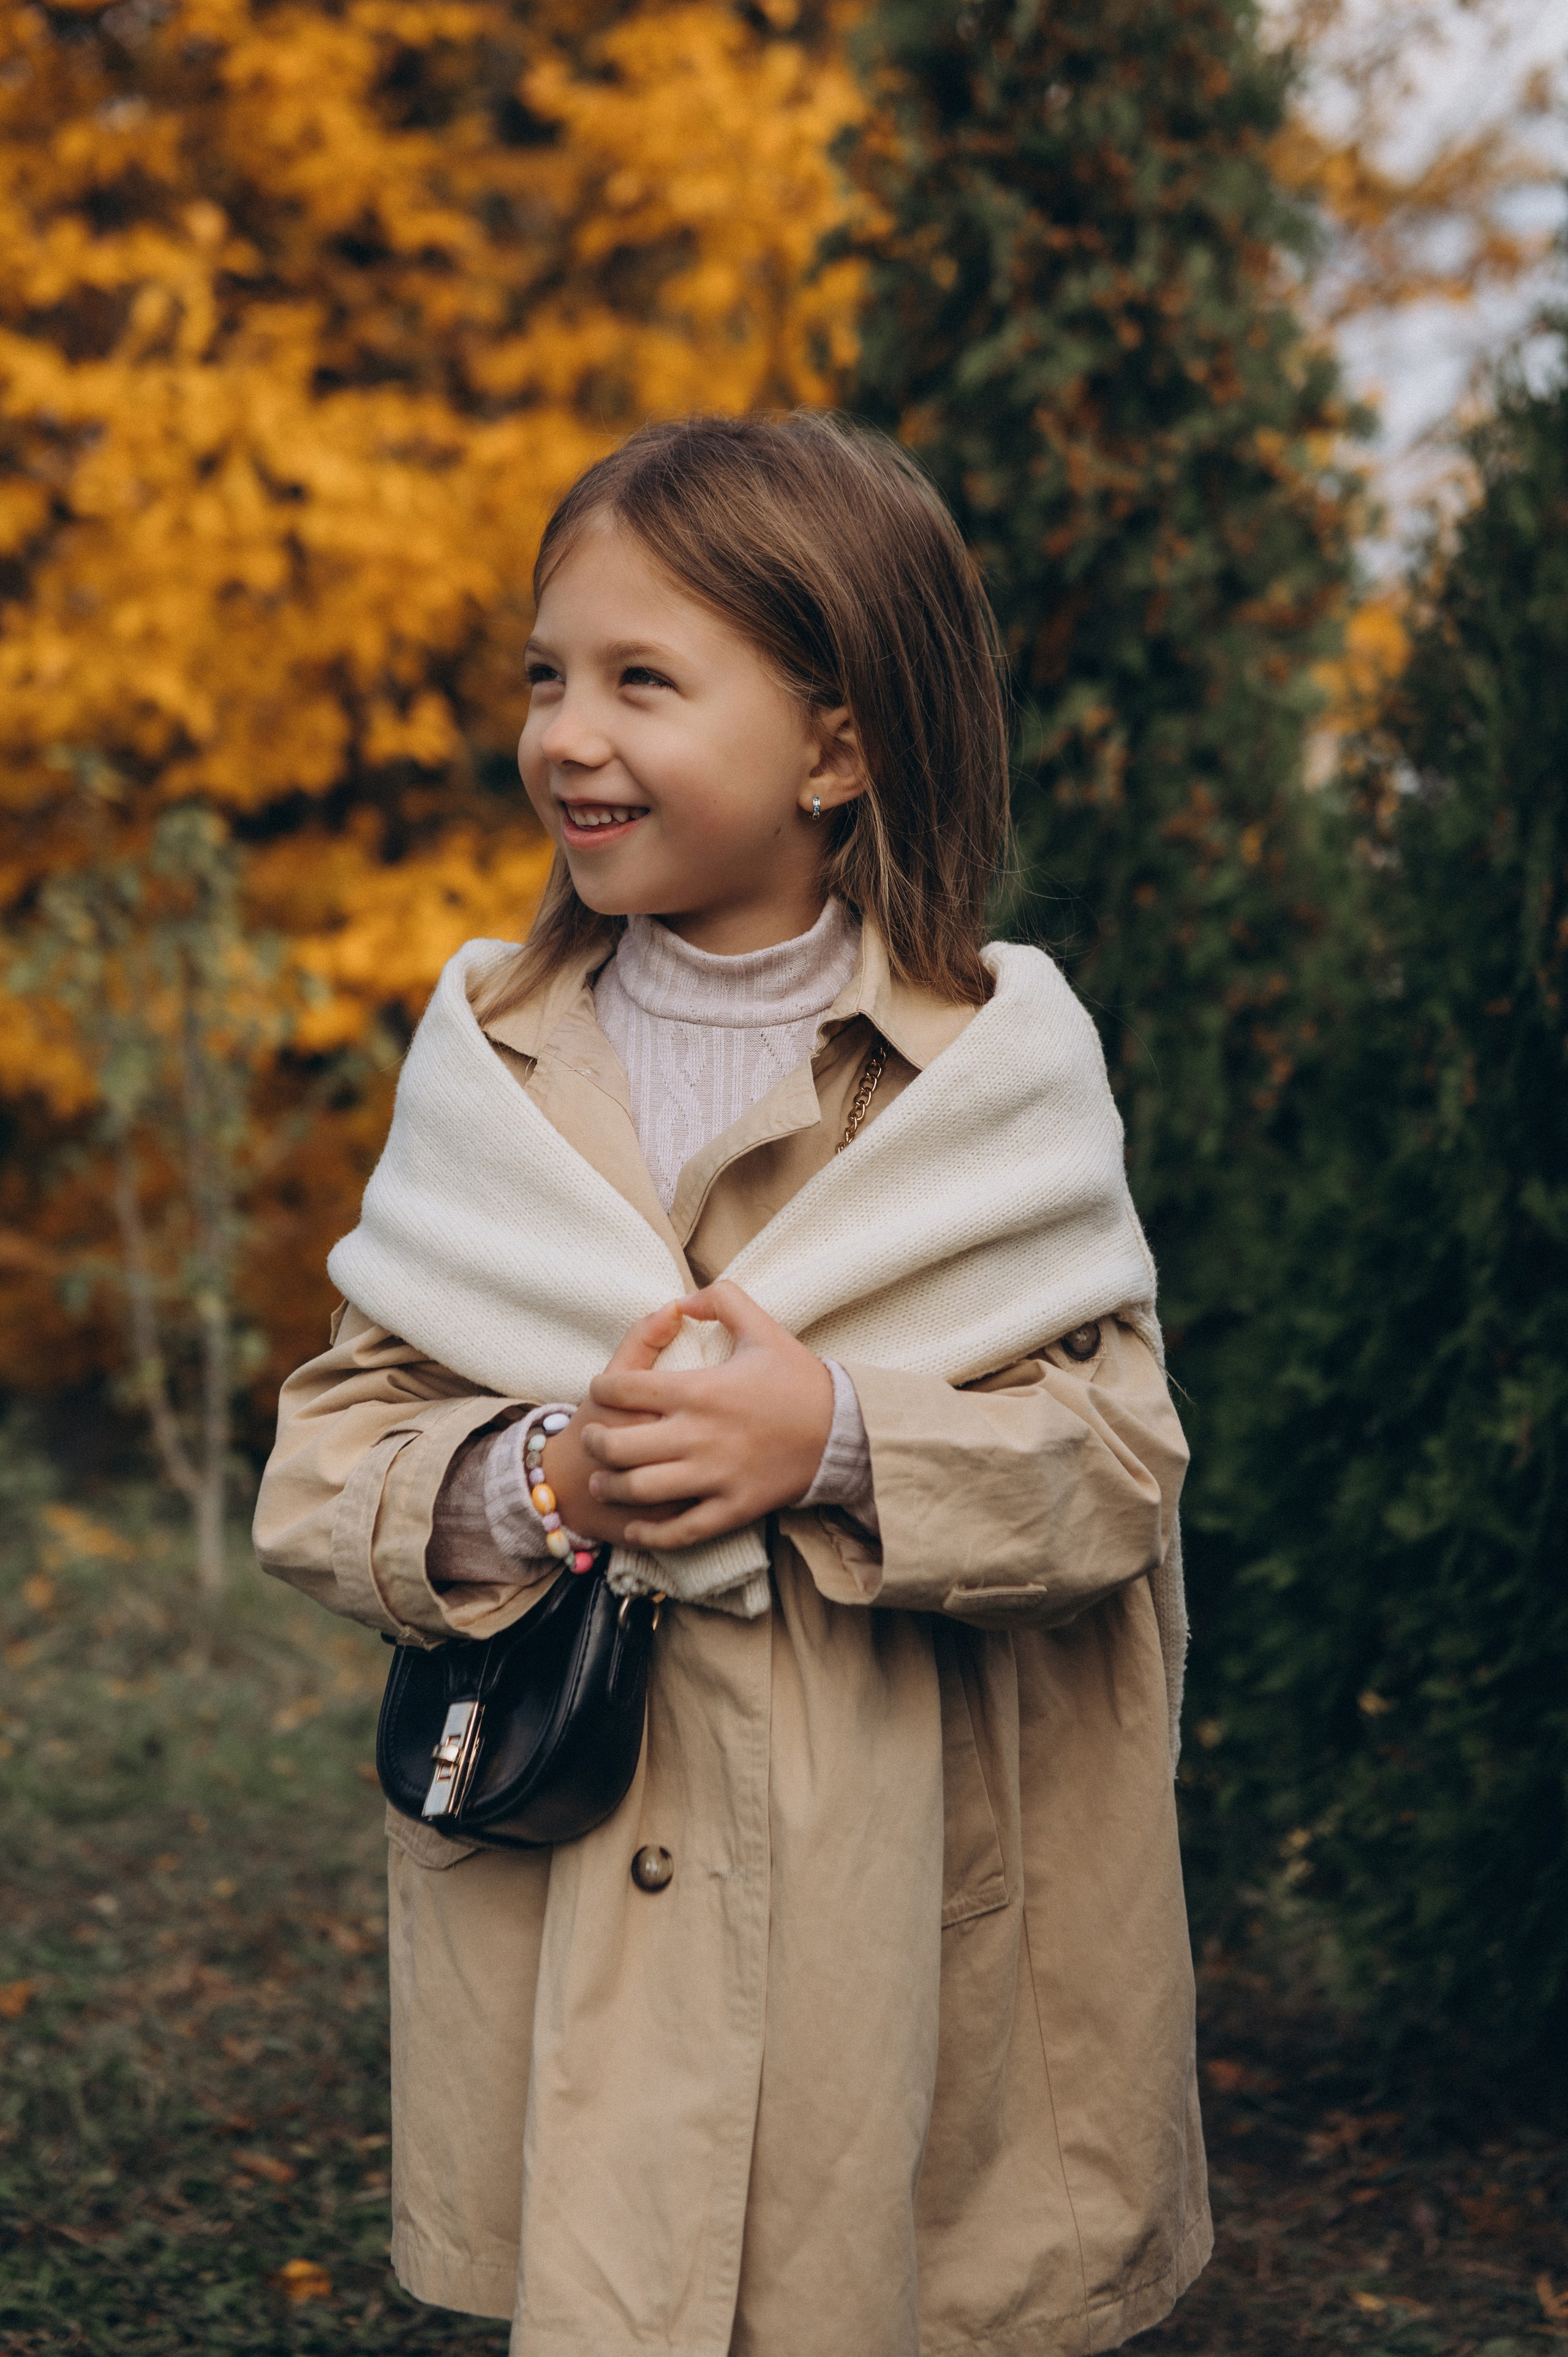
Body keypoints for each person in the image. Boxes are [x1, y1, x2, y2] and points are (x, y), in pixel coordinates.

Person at [253, 411, 1208, 2357]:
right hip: (571, 1887)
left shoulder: (985, 1083)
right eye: (545, 675)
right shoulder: (492, 1063)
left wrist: (837, 1439)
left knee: (888, 2274)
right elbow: (324, 1461)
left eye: (641, 681)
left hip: (912, 1917)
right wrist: (536, 1480)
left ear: (837, 745)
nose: (566, 735)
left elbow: (1114, 1471)